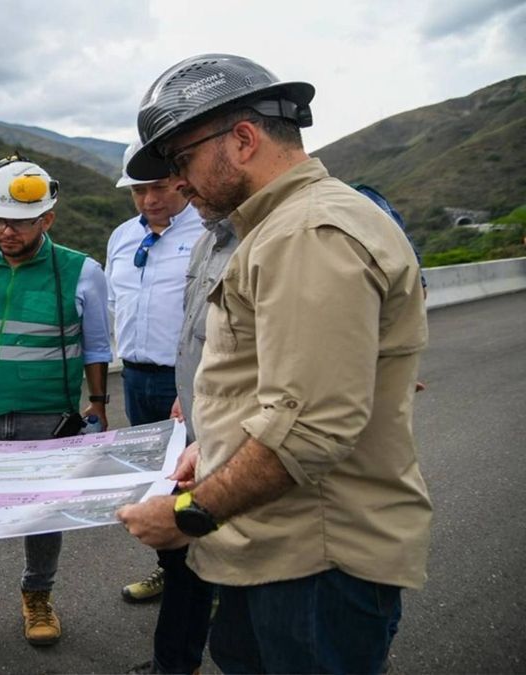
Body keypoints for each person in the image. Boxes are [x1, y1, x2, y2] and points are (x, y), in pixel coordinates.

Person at [116, 54, 431, 674]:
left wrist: (188, 513)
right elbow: (270, 386)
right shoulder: (268, 229)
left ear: (242, 139)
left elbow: (310, 427)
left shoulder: (308, 232)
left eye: (181, 160)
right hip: (270, 546)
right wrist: (213, 448)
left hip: (315, 560)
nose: (177, 183)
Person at [0, 154, 113, 658]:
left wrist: (98, 404)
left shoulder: (80, 271)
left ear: (46, 220)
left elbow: (96, 345)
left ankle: (38, 597)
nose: (6, 231)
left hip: (47, 414)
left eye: (19, 222)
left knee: (44, 513)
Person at [106, 136, 203, 606]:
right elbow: (114, 304)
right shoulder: (123, 237)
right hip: (136, 378)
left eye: (160, 187)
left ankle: (211, 580)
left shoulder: (208, 232)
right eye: (138, 190)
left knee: (196, 483)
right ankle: (171, 572)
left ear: (182, 180)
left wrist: (193, 385)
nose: (149, 199)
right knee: (156, 485)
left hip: (185, 382)